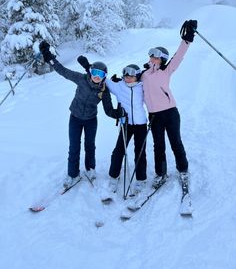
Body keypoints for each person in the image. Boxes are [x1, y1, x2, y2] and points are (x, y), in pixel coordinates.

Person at [39, 41, 125, 189]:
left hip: (91, 120)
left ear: (104, 76)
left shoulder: (104, 91)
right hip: (75, 118)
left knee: (90, 146)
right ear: (91, 73)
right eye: (95, 73)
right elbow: (63, 71)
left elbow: (108, 109)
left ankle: (90, 169)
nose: (97, 76)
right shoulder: (81, 79)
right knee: (74, 147)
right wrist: (49, 57)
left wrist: (118, 113)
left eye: (101, 74)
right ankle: (73, 174)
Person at [141, 20, 197, 187]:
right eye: (151, 55)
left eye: (156, 56)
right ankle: (160, 174)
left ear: (162, 59)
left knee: (175, 142)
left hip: (170, 113)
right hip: (154, 115)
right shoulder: (142, 74)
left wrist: (187, 39)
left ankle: (183, 170)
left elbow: (178, 56)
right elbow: (130, 83)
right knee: (158, 146)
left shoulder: (167, 70)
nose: (152, 57)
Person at [105, 64, 148, 194]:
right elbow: (103, 79)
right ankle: (114, 176)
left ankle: (141, 179)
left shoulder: (143, 87)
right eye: (126, 76)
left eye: (131, 77)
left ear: (137, 77)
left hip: (141, 124)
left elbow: (153, 97)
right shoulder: (119, 87)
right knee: (119, 150)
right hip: (126, 123)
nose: (128, 79)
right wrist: (89, 68)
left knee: (140, 152)